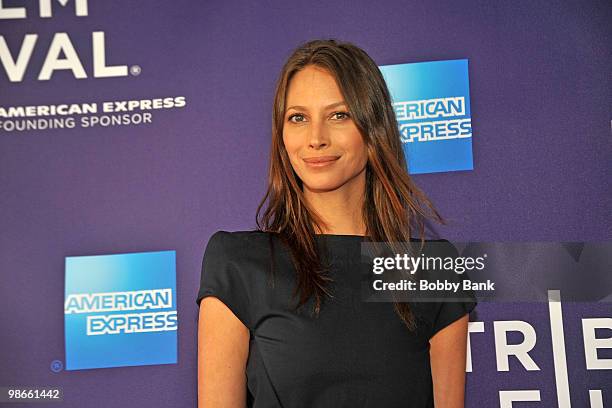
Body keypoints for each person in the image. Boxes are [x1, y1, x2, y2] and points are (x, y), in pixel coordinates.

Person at [196, 39, 477, 407]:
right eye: (298, 118)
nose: (315, 138)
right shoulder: (238, 263)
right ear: (282, 136)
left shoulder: (433, 268)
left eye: (338, 115)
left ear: (374, 129)